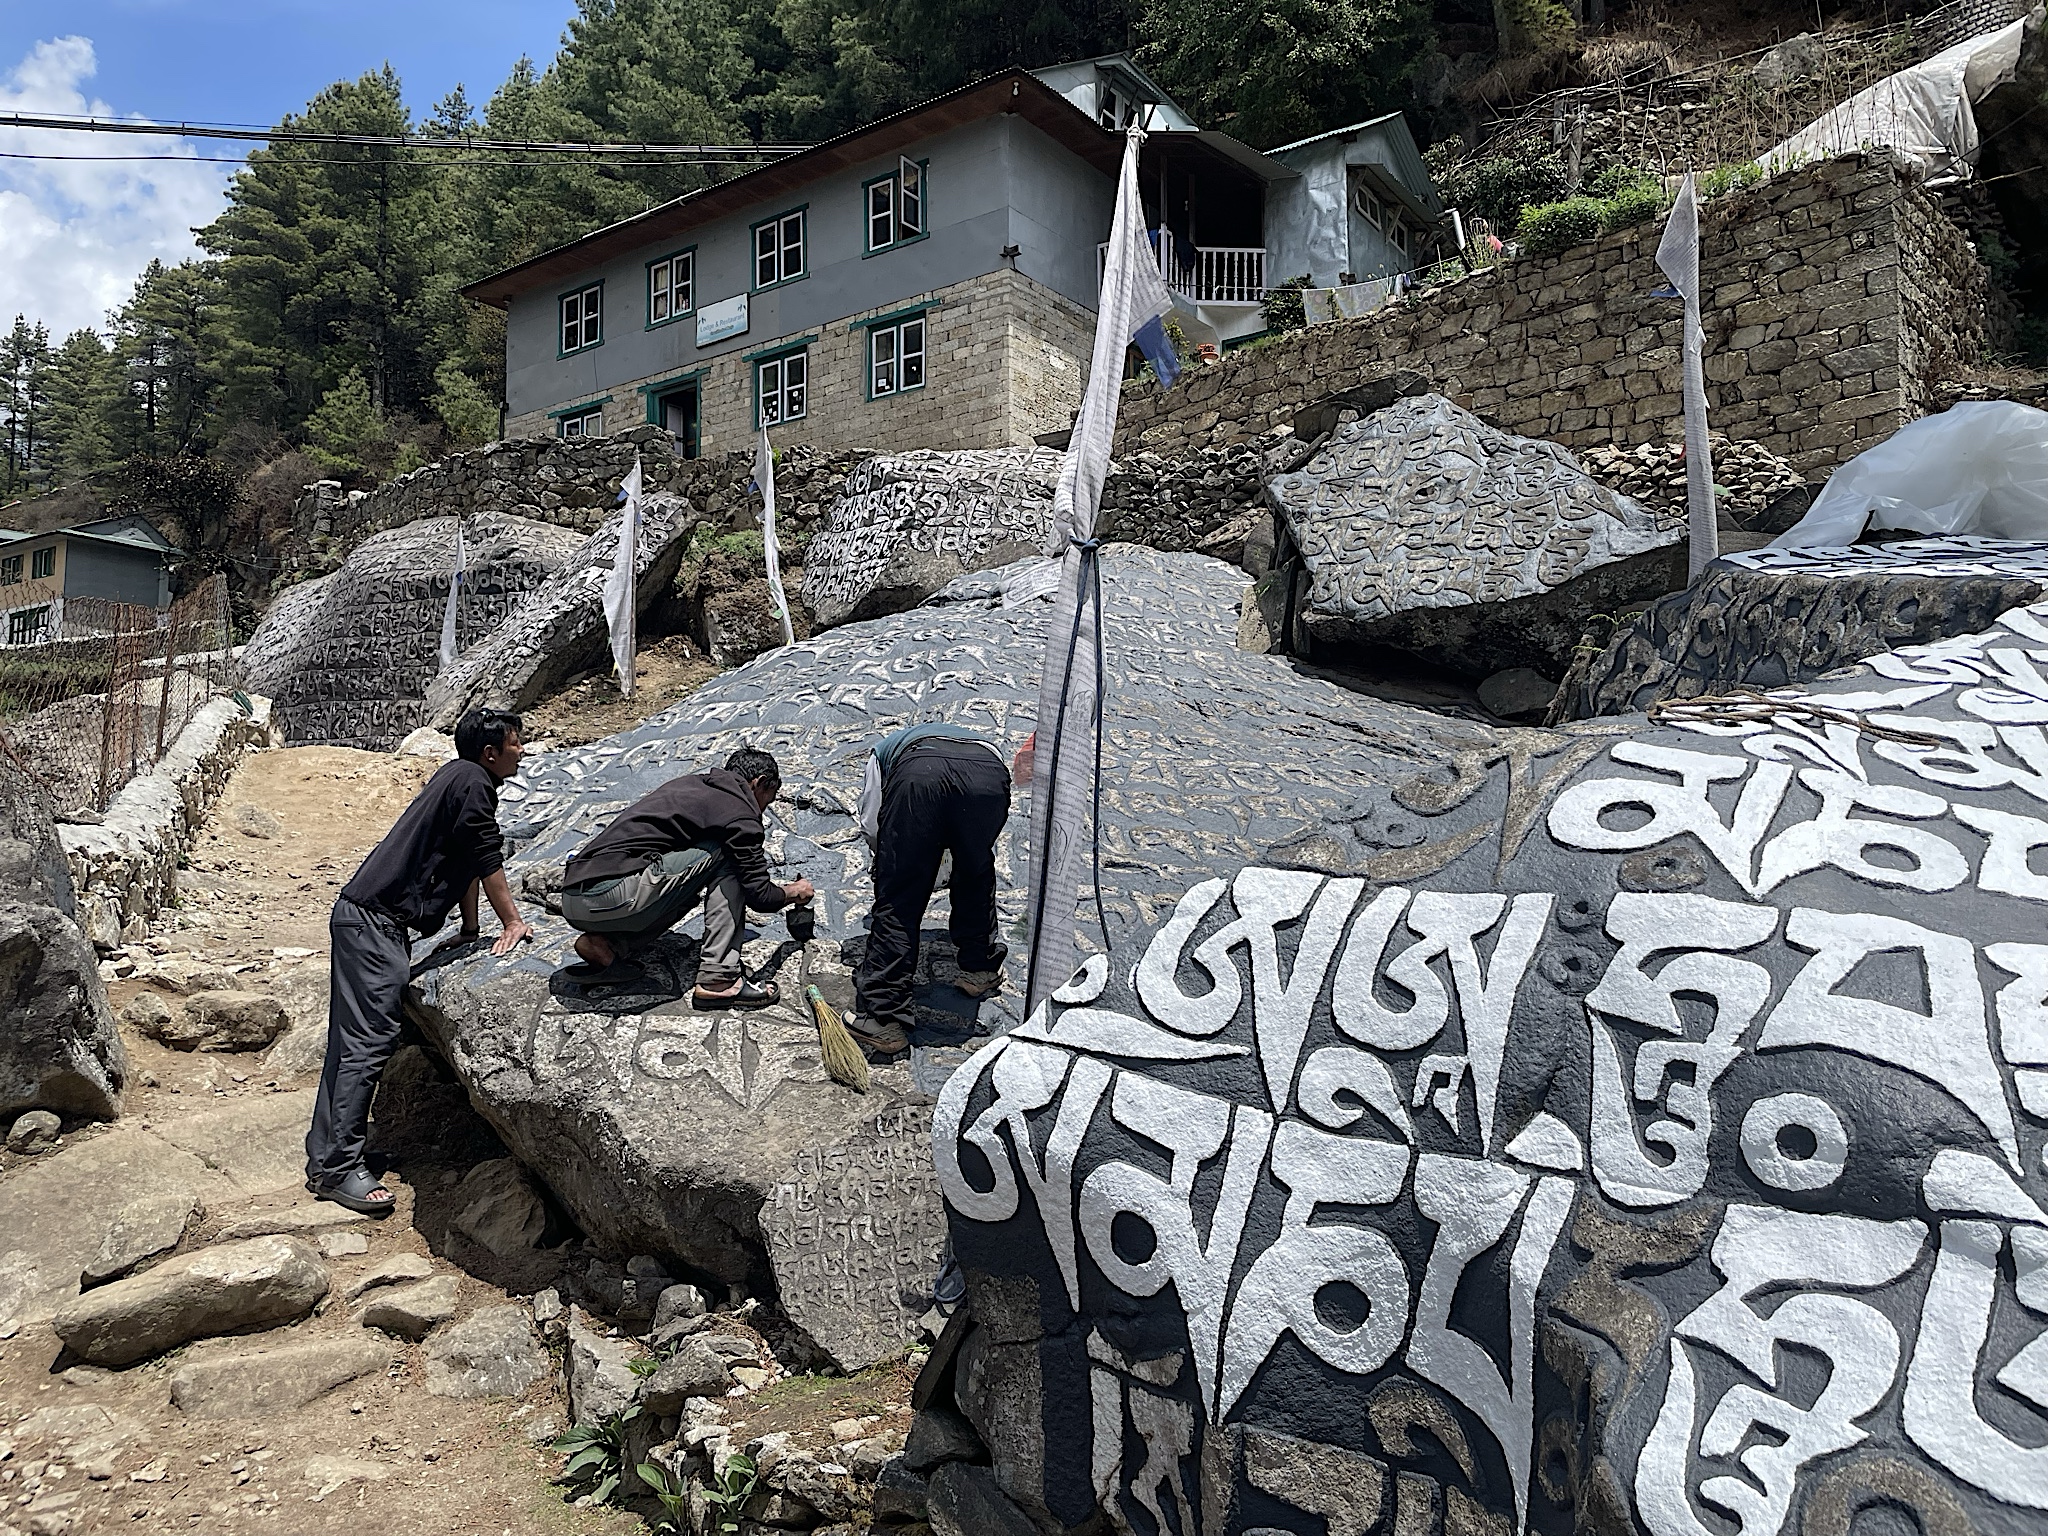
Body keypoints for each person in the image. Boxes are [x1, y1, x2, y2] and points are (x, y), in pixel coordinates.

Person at [305, 707, 534, 1215]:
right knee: (369, 1043)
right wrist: (513, 922)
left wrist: (472, 929)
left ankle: (329, 1155)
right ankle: (339, 1170)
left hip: (363, 918)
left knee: (350, 1041)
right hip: (375, 925)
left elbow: (467, 861)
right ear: (491, 752)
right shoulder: (474, 781)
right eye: (517, 743)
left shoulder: (459, 776)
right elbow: (486, 854)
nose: (523, 750)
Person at [560, 746, 813, 1007]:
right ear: (759, 783)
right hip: (615, 893)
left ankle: (606, 945)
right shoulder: (738, 810)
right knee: (729, 855)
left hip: (575, 899)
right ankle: (719, 980)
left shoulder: (691, 786)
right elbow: (760, 896)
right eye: (768, 798)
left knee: (687, 889)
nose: (762, 810)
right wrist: (794, 891)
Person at [852, 722, 1011, 1055]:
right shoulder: (979, 741)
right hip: (989, 777)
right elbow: (977, 843)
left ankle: (884, 1019)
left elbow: (871, 823)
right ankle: (978, 969)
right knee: (976, 872)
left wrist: (890, 866)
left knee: (899, 898)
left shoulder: (883, 752)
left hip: (920, 777)